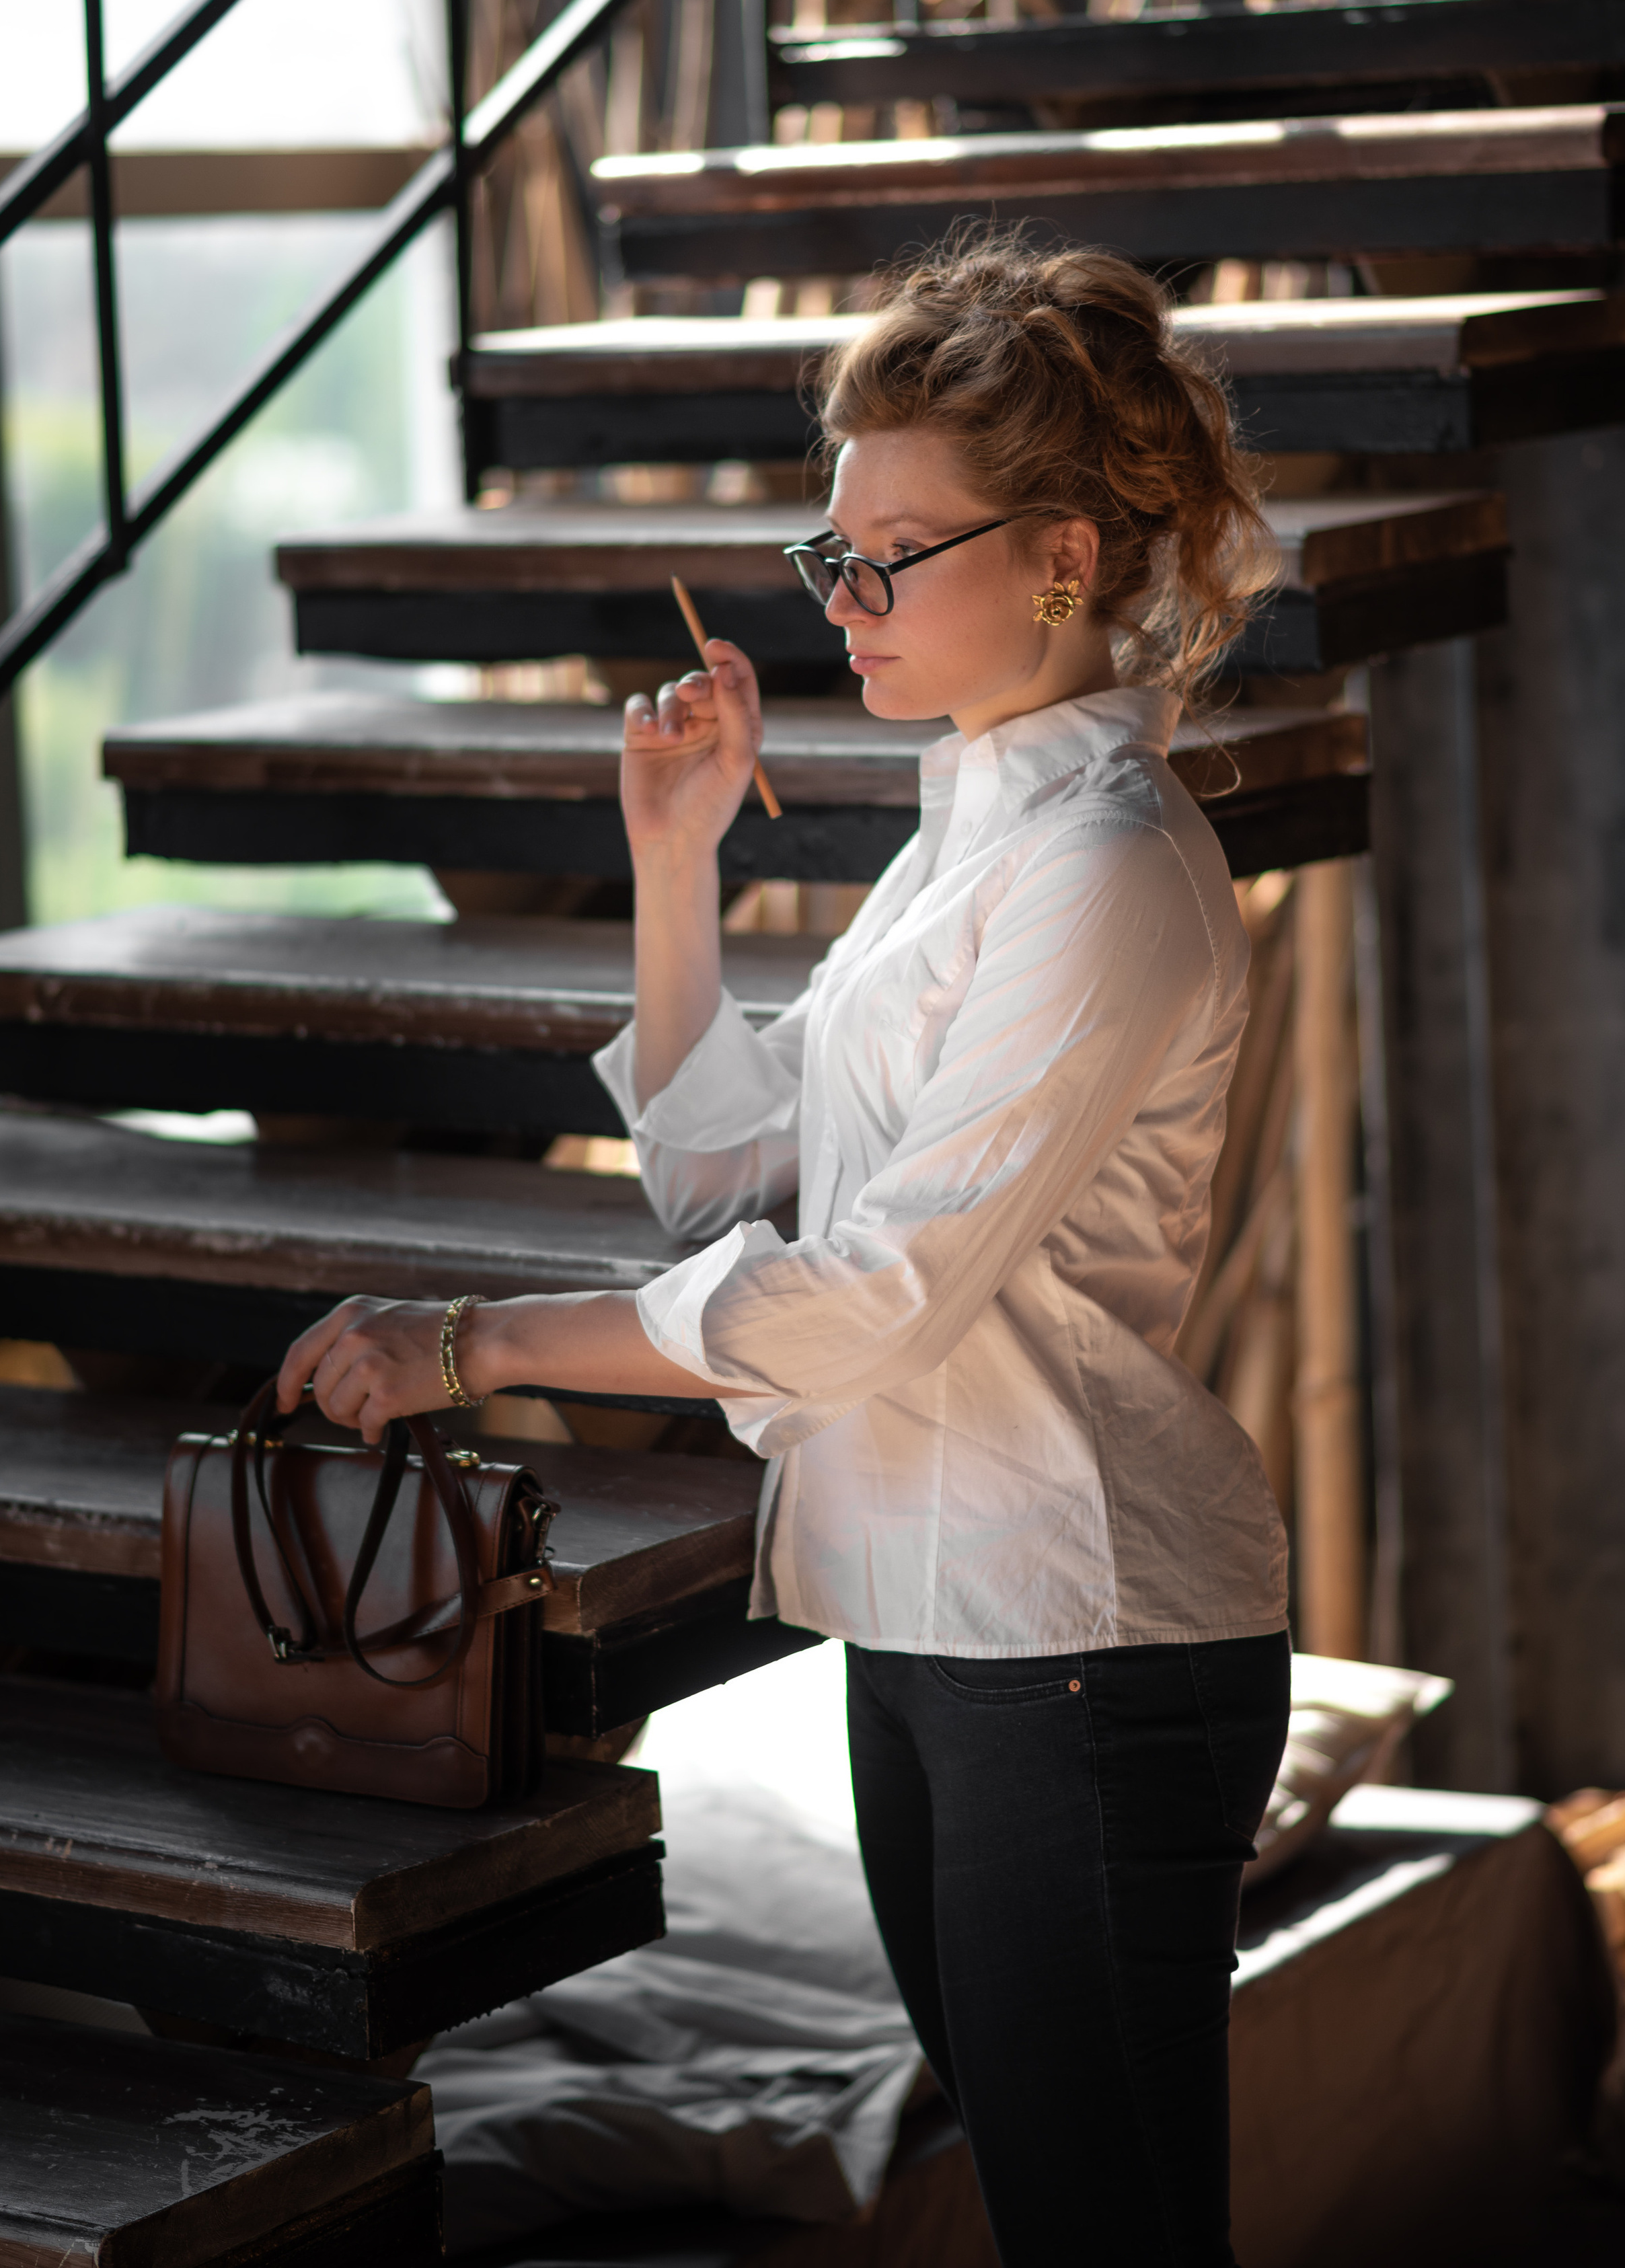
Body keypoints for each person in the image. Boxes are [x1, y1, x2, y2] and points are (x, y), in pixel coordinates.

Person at [278, 234, 1293, 2265]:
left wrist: (476, 1343)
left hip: (1076, 1638)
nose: (844, 603)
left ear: (1066, 558)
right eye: (835, 554)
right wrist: (674, 868)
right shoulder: (968, 835)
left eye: (894, 556)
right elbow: (730, 1184)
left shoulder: (1106, 866)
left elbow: (872, 1296)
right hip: (928, 1618)